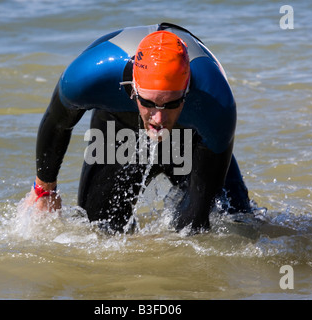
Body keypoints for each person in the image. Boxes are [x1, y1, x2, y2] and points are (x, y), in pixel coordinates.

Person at [24, 22, 252, 234]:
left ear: (187, 91)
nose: (158, 118)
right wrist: (45, 190)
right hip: (119, 128)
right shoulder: (89, 75)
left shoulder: (216, 100)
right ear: (133, 87)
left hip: (191, 138)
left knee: (230, 226)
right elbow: (57, 122)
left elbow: (198, 215)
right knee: (100, 234)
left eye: (171, 103)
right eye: (149, 103)